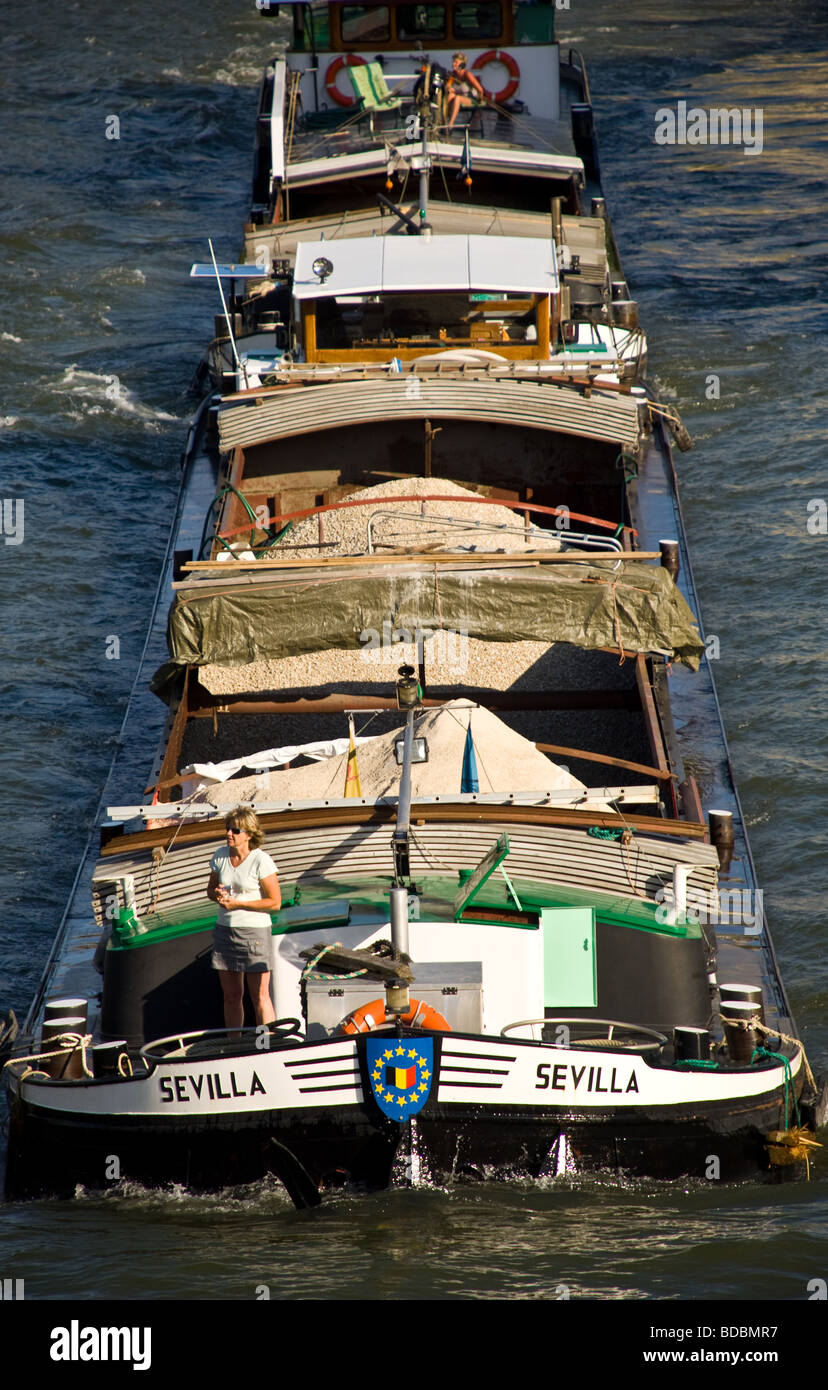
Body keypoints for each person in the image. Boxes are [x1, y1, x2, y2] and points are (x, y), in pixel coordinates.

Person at [206, 807, 281, 1030]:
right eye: (227, 829)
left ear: (248, 834)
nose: (229, 833)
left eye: (235, 830)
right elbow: (210, 890)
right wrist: (218, 895)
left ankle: (266, 1044)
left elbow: (275, 902)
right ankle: (234, 1046)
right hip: (225, 930)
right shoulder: (220, 855)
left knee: (259, 996)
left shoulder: (261, 861)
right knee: (231, 996)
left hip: (254, 933)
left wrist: (238, 903)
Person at [446, 52, 485, 130]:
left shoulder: (467, 74)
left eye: (456, 62)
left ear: (462, 64)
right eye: (453, 62)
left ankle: (450, 124)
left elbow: (480, 90)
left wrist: (480, 98)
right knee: (450, 96)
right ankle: (444, 121)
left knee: (457, 98)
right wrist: (449, 88)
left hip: (472, 99)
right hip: (460, 97)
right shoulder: (453, 75)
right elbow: (448, 85)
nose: (453, 64)